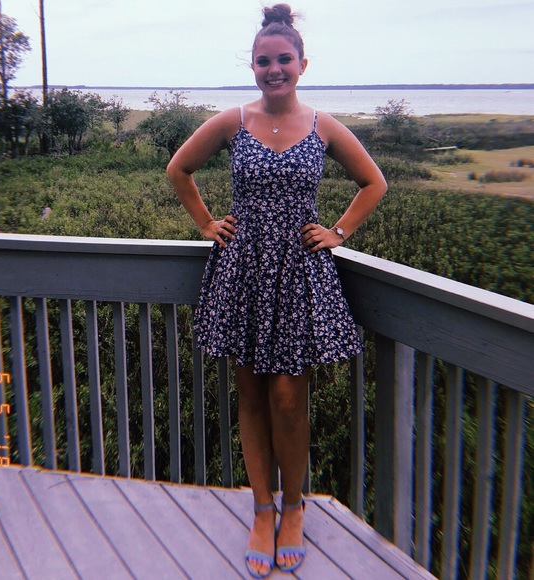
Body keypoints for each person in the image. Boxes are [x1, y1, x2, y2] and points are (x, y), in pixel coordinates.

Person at [167, 4, 387, 577]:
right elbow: (178, 169)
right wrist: (205, 222)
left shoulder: (323, 127)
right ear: (253, 67)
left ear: (302, 64)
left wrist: (338, 231)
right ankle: (262, 509)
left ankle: (294, 507)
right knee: (250, 396)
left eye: (284, 59)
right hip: (243, 272)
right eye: (263, 61)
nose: (274, 69)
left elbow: (373, 182)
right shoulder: (232, 122)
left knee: (289, 399)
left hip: (298, 275)